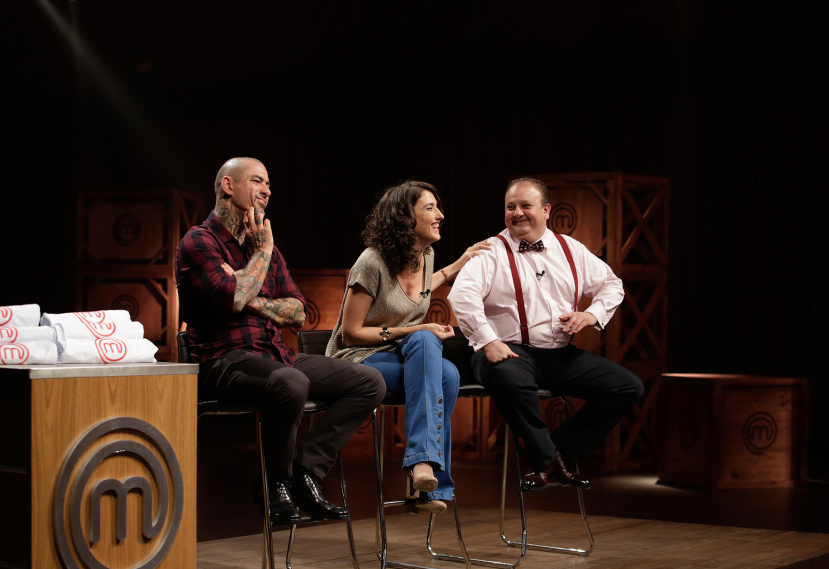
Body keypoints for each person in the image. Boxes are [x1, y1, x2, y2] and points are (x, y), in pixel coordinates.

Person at [175, 157, 386, 523]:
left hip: (274, 355)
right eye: (258, 181)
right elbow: (231, 297)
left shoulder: (266, 247)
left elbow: (298, 312)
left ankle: (304, 472)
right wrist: (260, 256)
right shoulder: (199, 241)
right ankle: (275, 484)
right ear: (229, 185)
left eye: (269, 184)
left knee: (369, 382)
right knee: (291, 382)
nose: (268, 191)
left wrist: (250, 291)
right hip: (221, 360)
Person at [447, 177, 643, 490]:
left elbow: (611, 284)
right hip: (507, 351)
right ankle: (545, 460)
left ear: (546, 210)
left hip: (558, 355)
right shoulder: (490, 251)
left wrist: (592, 314)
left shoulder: (570, 248)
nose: (517, 212)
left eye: (526, 205)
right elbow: (461, 296)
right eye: (511, 207)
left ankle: (557, 456)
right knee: (511, 378)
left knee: (627, 387)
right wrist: (488, 340)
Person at [326, 180, 489, 513]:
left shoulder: (426, 255)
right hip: (358, 359)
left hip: (399, 357)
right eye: (430, 208)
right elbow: (352, 333)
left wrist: (461, 263)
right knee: (436, 359)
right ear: (404, 217)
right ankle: (430, 479)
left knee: (443, 367)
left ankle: (423, 473)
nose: (440, 214)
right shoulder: (372, 263)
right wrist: (416, 328)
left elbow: (427, 285)